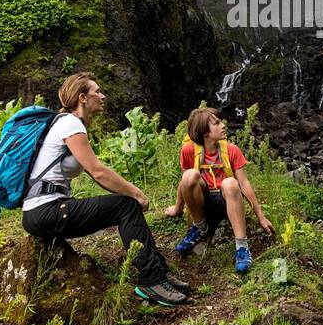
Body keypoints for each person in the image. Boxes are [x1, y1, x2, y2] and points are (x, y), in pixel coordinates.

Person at [22, 72, 189, 306]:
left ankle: (159, 272)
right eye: (97, 91)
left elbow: (97, 176)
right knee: (127, 206)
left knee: (124, 205)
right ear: (82, 97)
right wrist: (136, 193)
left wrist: (128, 192)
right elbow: (98, 171)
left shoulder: (66, 123)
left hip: (43, 211)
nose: (103, 96)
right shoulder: (70, 124)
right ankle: (152, 281)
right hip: (46, 211)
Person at [166, 107, 273, 272]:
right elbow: (185, 184)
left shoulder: (231, 150)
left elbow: (244, 183)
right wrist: (177, 208)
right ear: (204, 132)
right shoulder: (188, 150)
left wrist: (261, 216)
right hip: (202, 205)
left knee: (230, 182)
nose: (223, 125)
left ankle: (242, 247)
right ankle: (200, 226)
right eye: (217, 123)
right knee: (189, 175)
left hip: (227, 203)